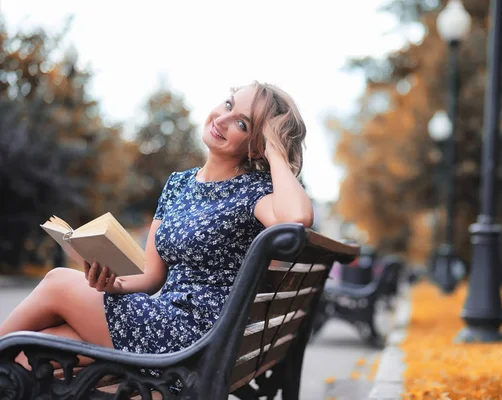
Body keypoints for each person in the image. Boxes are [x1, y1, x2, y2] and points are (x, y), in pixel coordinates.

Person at [0, 81, 314, 363]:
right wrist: (113, 284)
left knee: (57, 281)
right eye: (229, 105)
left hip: (192, 337)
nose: (222, 119)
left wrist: (275, 152)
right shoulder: (178, 184)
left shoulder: (254, 192)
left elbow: (297, 218)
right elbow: (152, 276)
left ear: (256, 146)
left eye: (241, 123)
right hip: (158, 320)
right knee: (33, 355)